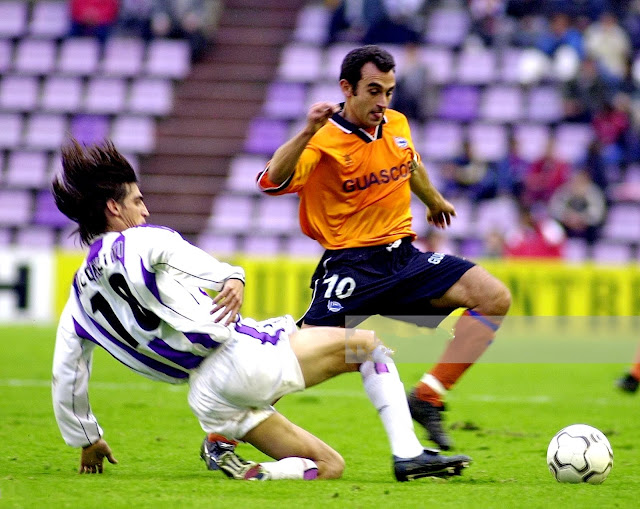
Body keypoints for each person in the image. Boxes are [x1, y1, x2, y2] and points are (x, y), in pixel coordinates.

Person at [51, 139, 471, 481]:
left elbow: (68, 373)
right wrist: (230, 276)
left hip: (207, 398)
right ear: (114, 208)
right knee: (369, 347)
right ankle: (408, 455)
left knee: (329, 467)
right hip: (236, 360)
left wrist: (86, 438)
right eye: (138, 201)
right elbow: (189, 258)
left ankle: (252, 471)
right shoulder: (140, 240)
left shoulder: (77, 301)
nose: (144, 210)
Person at [256, 45, 511, 451]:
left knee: (493, 297)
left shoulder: (396, 123)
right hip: (351, 266)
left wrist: (433, 200)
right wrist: (306, 131)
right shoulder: (324, 140)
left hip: (403, 258)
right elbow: (270, 182)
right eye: (374, 91)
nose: (383, 101)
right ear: (347, 88)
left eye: (389, 91)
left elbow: (409, 163)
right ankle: (224, 430)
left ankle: (427, 398)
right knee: (298, 361)